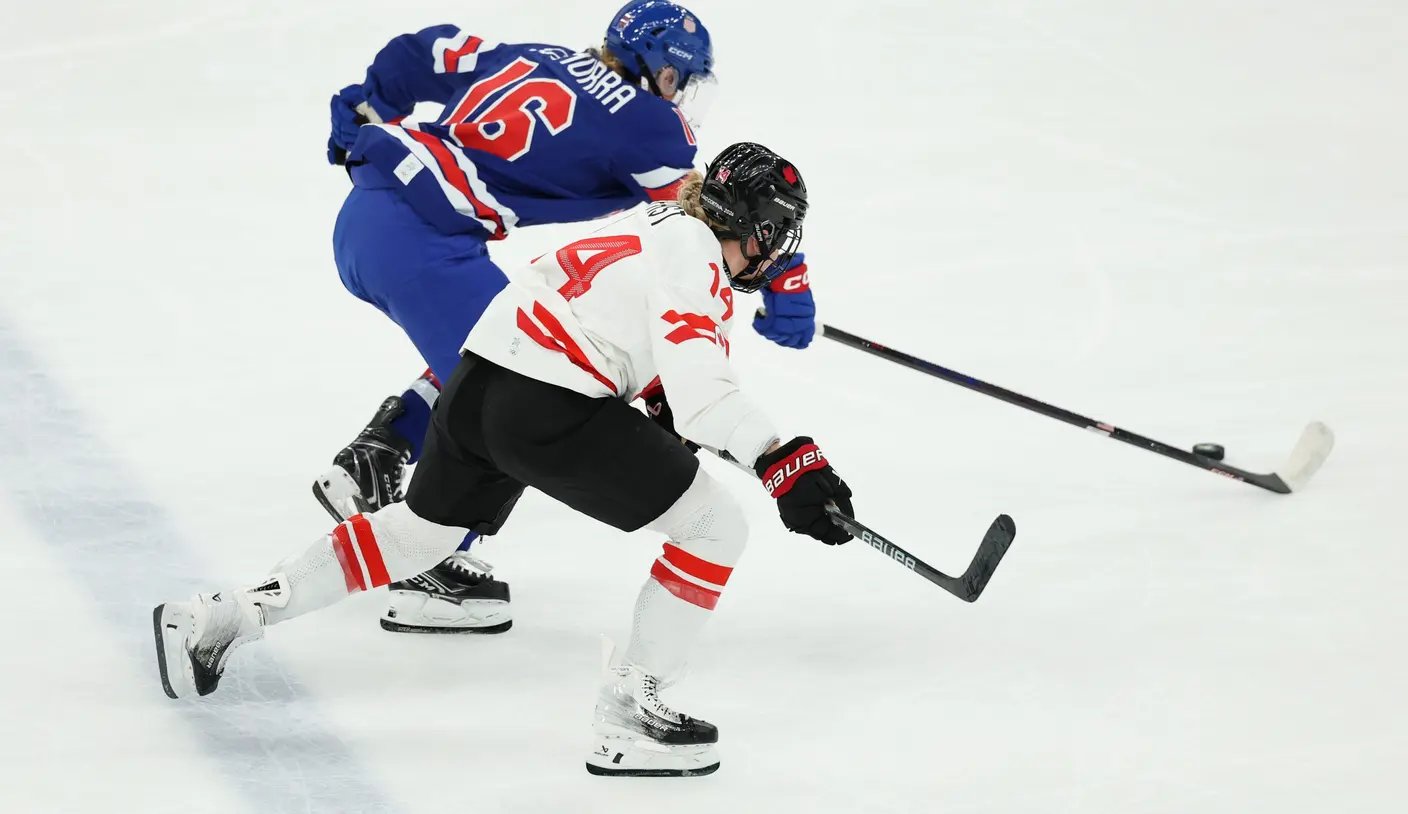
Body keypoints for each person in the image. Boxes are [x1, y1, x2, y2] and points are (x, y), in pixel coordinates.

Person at [154, 142, 853, 777]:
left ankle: (227, 615)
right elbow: (706, 395)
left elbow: (648, 359)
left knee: (417, 535)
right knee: (714, 528)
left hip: (476, 383)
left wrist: (675, 412)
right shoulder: (697, 257)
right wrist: (786, 461)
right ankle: (631, 714)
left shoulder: (656, 221)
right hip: (548, 403)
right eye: (779, 231)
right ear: (759, 228)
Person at [311, 2, 820, 634]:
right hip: (421, 243)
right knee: (519, 380)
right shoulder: (650, 126)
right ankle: (427, 566)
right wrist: (784, 279)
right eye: (681, 81)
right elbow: (709, 221)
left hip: (374, 212)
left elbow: (425, 51)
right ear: (662, 73)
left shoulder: (540, 57)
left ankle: (380, 454)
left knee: (505, 349)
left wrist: (365, 103)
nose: (680, 95)